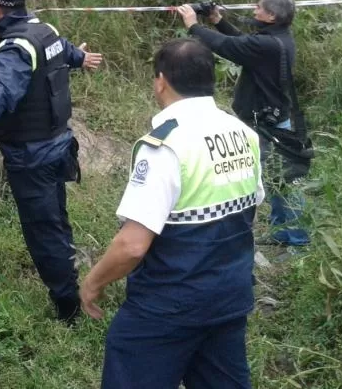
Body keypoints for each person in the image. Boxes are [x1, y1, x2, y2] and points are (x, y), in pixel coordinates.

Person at [80, 38, 264, 389]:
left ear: (161, 81)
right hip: (230, 295)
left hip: (169, 305)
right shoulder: (244, 133)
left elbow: (132, 245)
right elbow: (248, 208)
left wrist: (93, 282)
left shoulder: (165, 145)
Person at [0, 0, 103, 323]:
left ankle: (69, 307)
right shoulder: (43, 30)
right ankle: (70, 277)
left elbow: (3, 94)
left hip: (32, 155)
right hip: (58, 144)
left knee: (43, 230)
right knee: (56, 221)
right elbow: (63, 50)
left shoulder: (13, 49)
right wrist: (81, 58)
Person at [177, 0, 310, 246]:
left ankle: (298, 242)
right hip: (270, 120)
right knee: (276, 180)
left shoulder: (268, 44)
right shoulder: (275, 38)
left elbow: (229, 47)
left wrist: (194, 26)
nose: (253, 11)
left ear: (271, 15)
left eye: (258, 7)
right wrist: (218, 21)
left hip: (270, 125)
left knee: (285, 183)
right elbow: (242, 44)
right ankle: (282, 234)